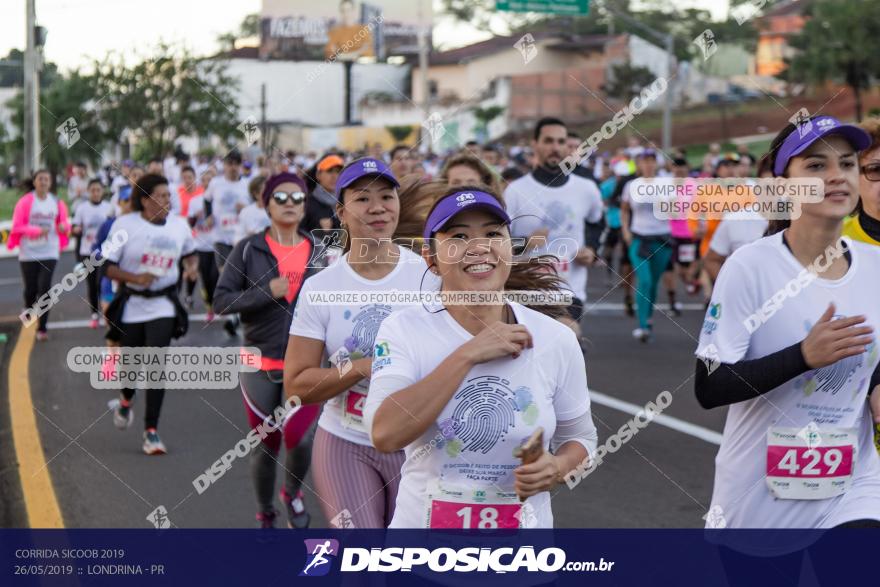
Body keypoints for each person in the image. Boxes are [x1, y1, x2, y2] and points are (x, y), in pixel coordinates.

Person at [694, 115, 880, 562]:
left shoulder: (877, 266)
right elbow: (709, 386)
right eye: (816, 166)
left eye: (848, 164)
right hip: (760, 488)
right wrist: (803, 356)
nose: (836, 176)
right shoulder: (750, 267)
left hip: (853, 480)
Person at [364, 186, 597, 529]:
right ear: (431, 258)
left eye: (492, 233)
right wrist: (468, 354)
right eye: (458, 236)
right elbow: (385, 433)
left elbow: (583, 440)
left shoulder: (555, 339)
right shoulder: (402, 330)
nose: (479, 247)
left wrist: (558, 468)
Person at [284, 157, 435, 528]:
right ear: (341, 212)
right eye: (363, 199)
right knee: (363, 560)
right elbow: (296, 384)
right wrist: (362, 368)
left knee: (410, 564)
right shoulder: (321, 288)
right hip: (345, 442)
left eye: (387, 196)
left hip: (418, 446)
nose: (378, 207)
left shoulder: (430, 278)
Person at [214, 173, 324, 528]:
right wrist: (266, 292)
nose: (290, 204)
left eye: (297, 197)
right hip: (259, 362)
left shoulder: (321, 250)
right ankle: (265, 512)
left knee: (301, 439)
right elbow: (221, 301)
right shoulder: (247, 248)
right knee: (267, 444)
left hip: (306, 365)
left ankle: (291, 493)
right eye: (281, 197)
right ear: (266, 204)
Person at [104, 174, 198, 455]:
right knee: (131, 368)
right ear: (144, 200)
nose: (168, 201)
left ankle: (151, 431)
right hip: (132, 304)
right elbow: (106, 267)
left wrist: (191, 268)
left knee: (156, 366)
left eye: (169, 196)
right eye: (161, 196)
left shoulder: (179, 226)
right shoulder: (125, 225)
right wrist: (135, 277)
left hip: (163, 305)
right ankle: (125, 399)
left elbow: (190, 254)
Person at [504, 117, 604, 339]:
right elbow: (498, 241)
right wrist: (525, 243)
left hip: (568, 289)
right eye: (548, 141)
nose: (555, 148)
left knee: (566, 334)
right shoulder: (515, 191)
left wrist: (592, 249)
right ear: (535, 144)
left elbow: (596, 222)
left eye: (561, 142)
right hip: (526, 288)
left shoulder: (586, 189)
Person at [8, 169, 70, 341]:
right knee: (31, 289)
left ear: (50, 183)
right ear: (34, 182)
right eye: (40, 179)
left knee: (45, 288)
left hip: (50, 250)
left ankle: (42, 329)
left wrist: (64, 227)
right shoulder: (25, 202)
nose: (44, 182)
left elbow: (63, 223)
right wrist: (36, 231)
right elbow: (17, 227)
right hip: (28, 251)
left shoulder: (56, 202)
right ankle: (27, 309)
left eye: (47, 179)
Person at [620, 150, 672, 342]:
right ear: (639, 164)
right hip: (639, 239)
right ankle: (642, 326)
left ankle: (648, 320)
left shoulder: (666, 184)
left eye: (652, 161)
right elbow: (624, 211)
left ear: (656, 164)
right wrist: (625, 230)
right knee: (645, 280)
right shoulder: (631, 186)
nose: (648, 164)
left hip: (662, 240)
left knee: (654, 283)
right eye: (645, 161)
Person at [204, 150, 250, 336]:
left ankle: (235, 316)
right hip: (220, 237)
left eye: (235, 164)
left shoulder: (246, 185)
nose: (232, 167)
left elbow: (256, 208)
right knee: (226, 275)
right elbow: (206, 200)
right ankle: (234, 315)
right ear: (224, 166)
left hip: (239, 237)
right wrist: (208, 216)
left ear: (240, 165)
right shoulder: (216, 183)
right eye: (229, 163)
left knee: (240, 277)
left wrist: (245, 208)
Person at [72, 178, 112, 328]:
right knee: (92, 284)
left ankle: (107, 312)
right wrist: (75, 230)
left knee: (105, 284)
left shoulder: (109, 208)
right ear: (88, 192)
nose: (95, 193)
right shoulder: (82, 208)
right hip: (87, 251)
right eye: (92, 190)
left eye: (98, 190)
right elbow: (75, 227)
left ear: (102, 191)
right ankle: (94, 314)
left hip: (106, 252)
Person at [186, 187, 219, 322]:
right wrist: (196, 217)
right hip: (201, 246)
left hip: (218, 245)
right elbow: (190, 223)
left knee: (216, 277)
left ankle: (220, 305)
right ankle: (210, 308)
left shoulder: (221, 200)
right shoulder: (195, 201)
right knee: (206, 280)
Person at [304, 154, 344, 233]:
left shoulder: (347, 201)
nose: (334, 176)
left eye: (338, 172)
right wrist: (318, 230)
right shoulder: (306, 203)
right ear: (318, 175)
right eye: (329, 171)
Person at [234, 175, 271, 244]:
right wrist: (248, 237)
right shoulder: (246, 212)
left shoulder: (277, 211)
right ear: (256, 194)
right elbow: (236, 240)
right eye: (265, 190)